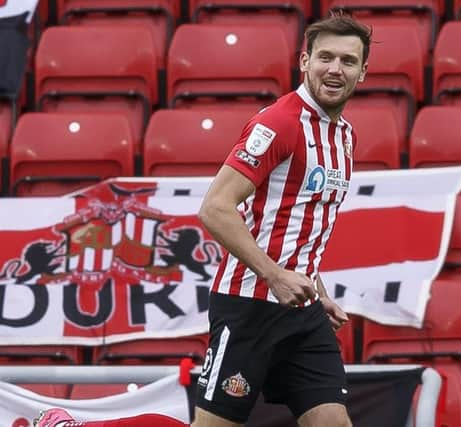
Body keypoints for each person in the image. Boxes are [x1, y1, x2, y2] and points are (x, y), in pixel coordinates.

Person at [34, 12, 371, 427]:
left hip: (302, 314)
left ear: (363, 72)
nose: (335, 69)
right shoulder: (280, 123)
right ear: (305, 62)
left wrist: (314, 288)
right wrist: (276, 275)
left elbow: (297, 221)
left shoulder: (345, 136)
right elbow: (215, 207)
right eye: (325, 57)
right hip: (250, 306)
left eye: (348, 61)